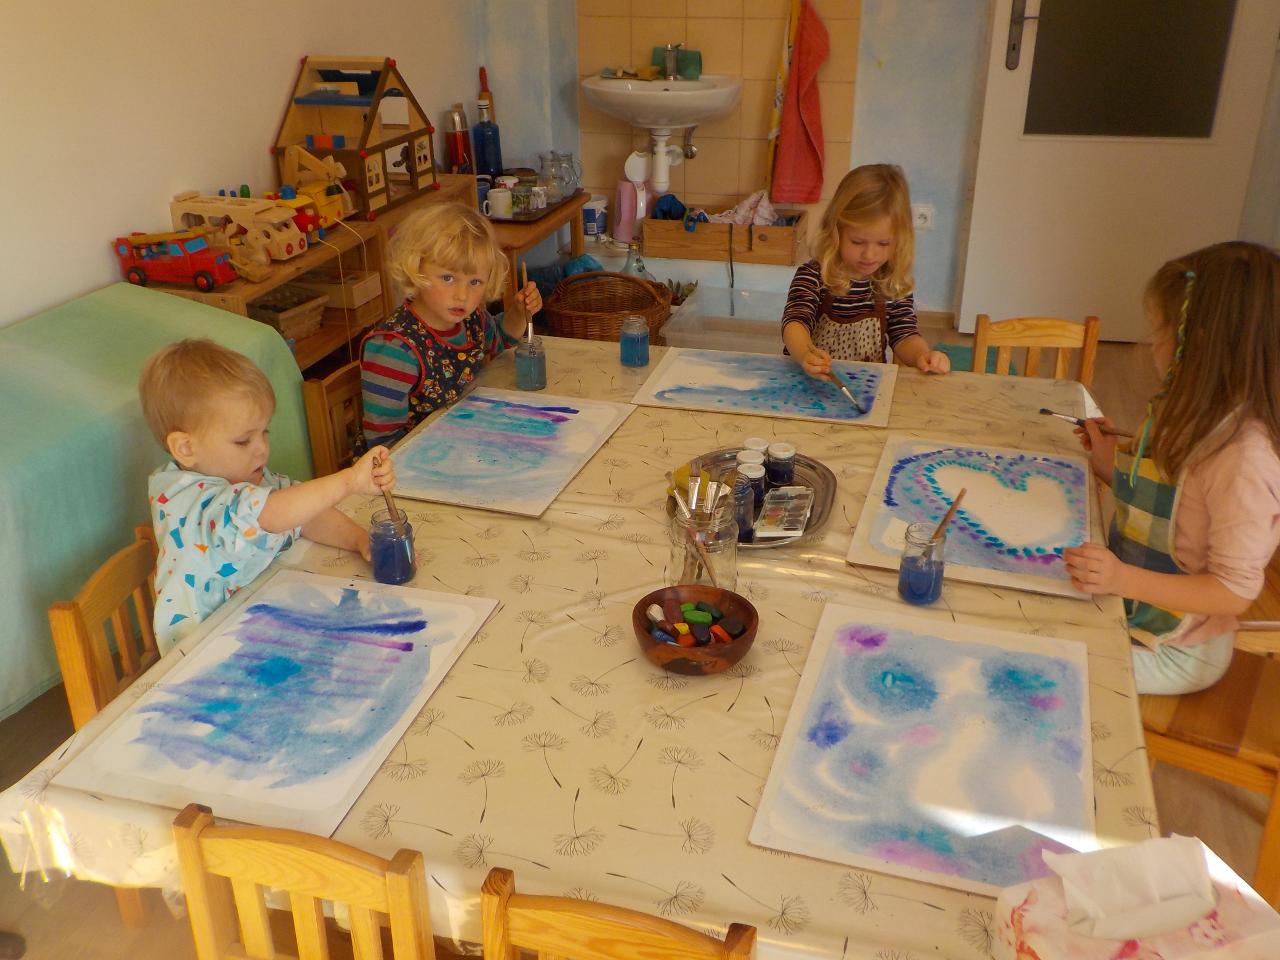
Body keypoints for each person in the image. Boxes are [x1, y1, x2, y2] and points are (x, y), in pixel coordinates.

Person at [1064, 241, 1280, 694]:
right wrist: (1109, 465)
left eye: (1159, 330)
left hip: (1176, 649)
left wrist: (1121, 578)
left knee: (1053, 659)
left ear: (1195, 345)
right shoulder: (1191, 412)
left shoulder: (1243, 458)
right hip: (1130, 606)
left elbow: (1233, 591)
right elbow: (1171, 510)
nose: (1151, 344)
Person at [139, 339, 396, 653]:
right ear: (186, 448)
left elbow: (305, 515)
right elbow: (271, 514)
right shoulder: (192, 502)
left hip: (257, 623)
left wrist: (359, 539)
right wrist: (350, 480)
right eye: (243, 441)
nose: (262, 448)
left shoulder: (248, 479)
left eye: (265, 432)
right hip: (204, 656)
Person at [360, 202, 543, 445]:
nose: (462, 295)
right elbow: (384, 443)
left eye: (475, 282)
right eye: (448, 278)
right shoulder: (394, 350)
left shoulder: (472, 320)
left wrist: (519, 313)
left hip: (462, 437)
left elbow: (501, 339)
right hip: (412, 458)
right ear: (416, 267)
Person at [781, 163, 949, 378]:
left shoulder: (892, 281)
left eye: (883, 243)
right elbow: (795, 323)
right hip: (808, 381)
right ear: (836, 231)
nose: (870, 255)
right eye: (858, 242)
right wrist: (806, 354)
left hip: (866, 384)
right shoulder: (814, 275)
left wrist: (923, 356)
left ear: (900, 240)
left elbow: (904, 335)